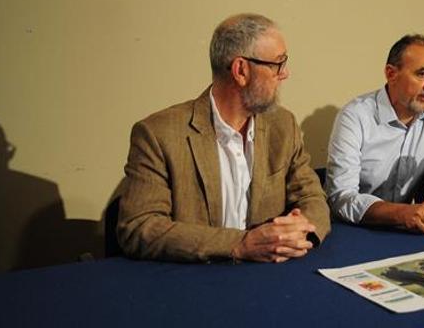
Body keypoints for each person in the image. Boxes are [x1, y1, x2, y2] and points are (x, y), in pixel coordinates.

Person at [117, 13, 330, 263]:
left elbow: (312, 197)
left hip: (269, 275)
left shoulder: (282, 125)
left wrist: (299, 229)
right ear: (241, 70)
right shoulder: (158, 134)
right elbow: (139, 227)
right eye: (278, 64)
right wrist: (239, 244)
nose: (285, 74)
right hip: (196, 279)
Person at [325, 34, 424, 234]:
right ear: (391, 73)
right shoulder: (355, 115)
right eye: (422, 74)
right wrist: (403, 213)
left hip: (406, 229)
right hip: (354, 231)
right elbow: (341, 197)